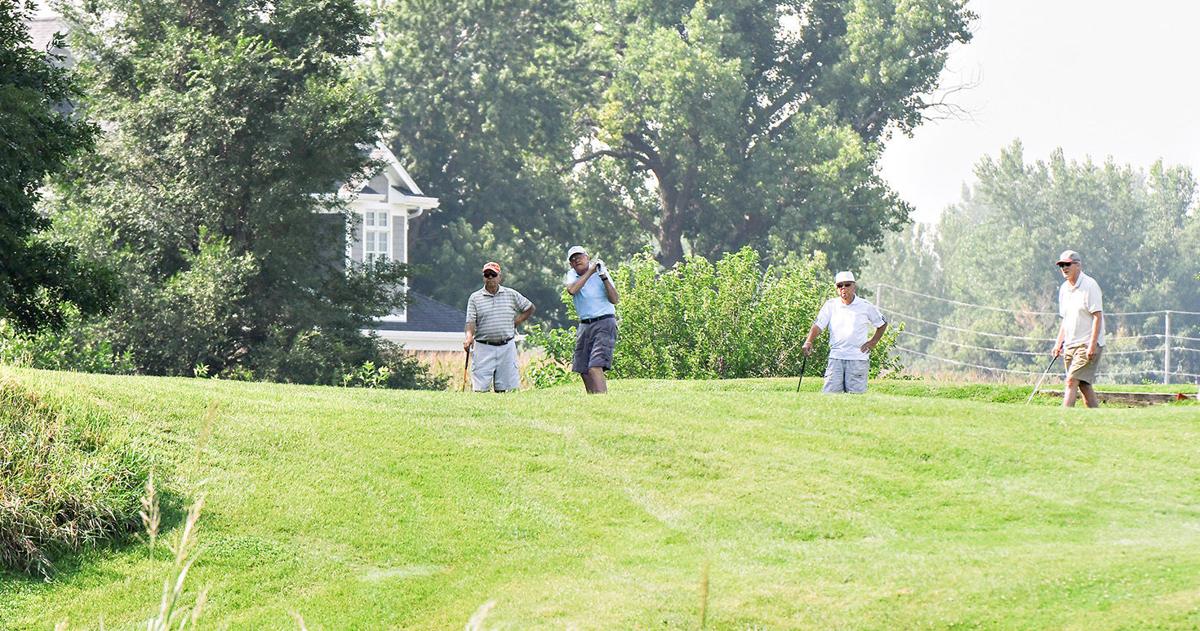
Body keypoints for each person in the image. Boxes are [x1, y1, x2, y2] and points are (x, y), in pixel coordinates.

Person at [801, 271, 888, 394]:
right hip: (836, 357)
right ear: (836, 288)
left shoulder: (865, 305)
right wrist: (808, 341)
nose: (843, 288)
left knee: (856, 397)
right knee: (830, 396)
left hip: (857, 358)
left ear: (854, 286)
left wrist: (873, 342)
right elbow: (818, 326)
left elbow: (882, 323)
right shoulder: (830, 305)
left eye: (847, 285)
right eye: (839, 285)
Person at [464, 262, 535, 392]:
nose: (490, 277)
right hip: (483, 347)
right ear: (483, 277)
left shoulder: (511, 294)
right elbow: (470, 321)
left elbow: (529, 308)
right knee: (480, 389)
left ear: (499, 277)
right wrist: (469, 337)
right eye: (487, 275)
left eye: (493, 274)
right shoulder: (475, 298)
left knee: (506, 389)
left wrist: (516, 322)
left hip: (506, 346)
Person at [1051, 250, 1105, 408]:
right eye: (1061, 265)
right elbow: (1066, 319)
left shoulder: (1090, 285)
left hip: (1087, 344)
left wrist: (1092, 345)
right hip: (1070, 344)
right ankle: (1097, 417)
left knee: (1071, 381)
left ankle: (1063, 417)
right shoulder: (1063, 289)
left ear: (1078, 265)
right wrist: (1058, 343)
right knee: (1083, 384)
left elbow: (1097, 316)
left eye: (1067, 264)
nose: (1064, 268)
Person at [564, 246, 619, 394]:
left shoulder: (601, 272)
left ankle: (602, 400)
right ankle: (593, 400)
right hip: (585, 325)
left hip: (604, 322)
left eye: (579, 257)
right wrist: (591, 271)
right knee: (583, 369)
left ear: (587, 257)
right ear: (570, 264)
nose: (576, 260)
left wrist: (603, 277)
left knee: (595, 366)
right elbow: (572, 290)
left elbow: (615, 299)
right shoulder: (572, 275)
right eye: (573, 259)